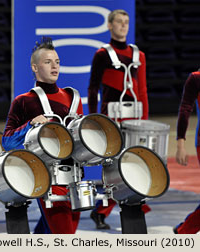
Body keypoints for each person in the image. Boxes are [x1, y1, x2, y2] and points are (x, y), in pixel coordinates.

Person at [2, 37, 83, 234]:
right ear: (35, 68)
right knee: (64, 235)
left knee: (55, 233)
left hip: (75, 177)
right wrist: (29, 125)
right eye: (48, 62)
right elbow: (7, 141)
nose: (54, 66)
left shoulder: (73, 97)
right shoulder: (24, 101)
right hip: (48, 178)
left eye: (57, 62)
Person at [87, 9, 150, 229]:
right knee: (115, 166)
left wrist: (144, 120)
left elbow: (142, 91)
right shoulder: (102, 54)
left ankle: (118, 207)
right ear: (110, 25)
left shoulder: (138, 55)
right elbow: (93, 88)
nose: (123, 26)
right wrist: (94, 120)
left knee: (135, 163)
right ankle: (103, 210)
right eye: (119, 22)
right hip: (110, 117)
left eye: (126, 22)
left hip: (134, 118)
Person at [173, 70, 200, 234]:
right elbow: (185, 108)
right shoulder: (196, 78)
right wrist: (180, 144)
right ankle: (185, 231)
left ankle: (184, 229)